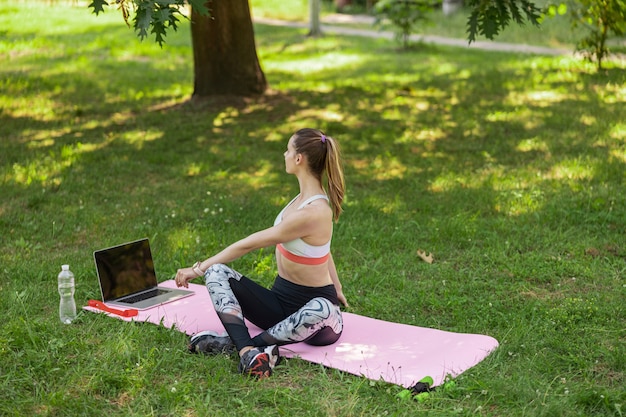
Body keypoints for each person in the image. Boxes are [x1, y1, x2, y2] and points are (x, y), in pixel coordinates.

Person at [174, 128, 348, 379]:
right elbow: (324, 250)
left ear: (299, 158)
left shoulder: (314, 212)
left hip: (318, 322)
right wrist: (340, 287)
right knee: (217, 272)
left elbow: (248, 244)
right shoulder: (300, 200)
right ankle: (250, 351)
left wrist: (196, 269)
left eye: (288, 149)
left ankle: (237, 345)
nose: (284, 154)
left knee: (322, 308)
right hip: (279, 307)